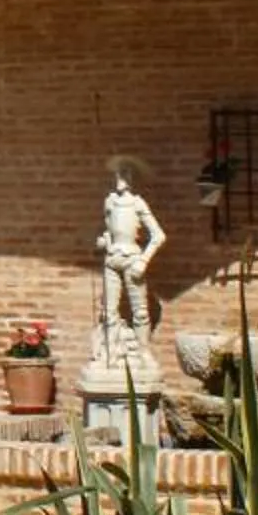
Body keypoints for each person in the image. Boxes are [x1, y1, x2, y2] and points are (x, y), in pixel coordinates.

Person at [95, 156, 167, 367]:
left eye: (125, 173)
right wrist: (104, 241)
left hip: (132, 258)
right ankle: (109, 354)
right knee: (108, 310)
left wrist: (143, 261)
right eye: (118, 173)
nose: (121, 178)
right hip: (112, 259)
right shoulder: (109, 202)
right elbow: (109, 230)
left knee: (140, 310)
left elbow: (158, 235)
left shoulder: (137, 204)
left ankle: (144, 352)